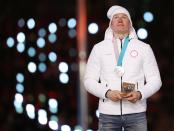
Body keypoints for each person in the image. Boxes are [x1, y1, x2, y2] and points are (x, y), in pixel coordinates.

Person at [84, 5, 162, 131]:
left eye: (124, 17)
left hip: (136, 113)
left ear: (130, 24)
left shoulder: (144, 48)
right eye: (116, 17)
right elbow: (88, 81)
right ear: (111, 24)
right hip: (108, 114)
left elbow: (155, 80)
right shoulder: (99, 48)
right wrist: (107, 93)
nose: (120, 20)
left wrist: (140, 94)